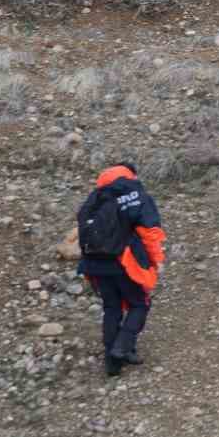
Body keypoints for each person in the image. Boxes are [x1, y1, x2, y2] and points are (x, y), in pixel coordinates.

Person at [76, 162, 166, 377]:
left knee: (112, 307)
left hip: (94, 264)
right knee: (139, 304)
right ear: (131, 174)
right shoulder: (134, 193)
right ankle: (121, 348)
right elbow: (149, 230)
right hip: (123, 262)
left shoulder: (94, 198)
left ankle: (112, 361)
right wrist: (156, 259)